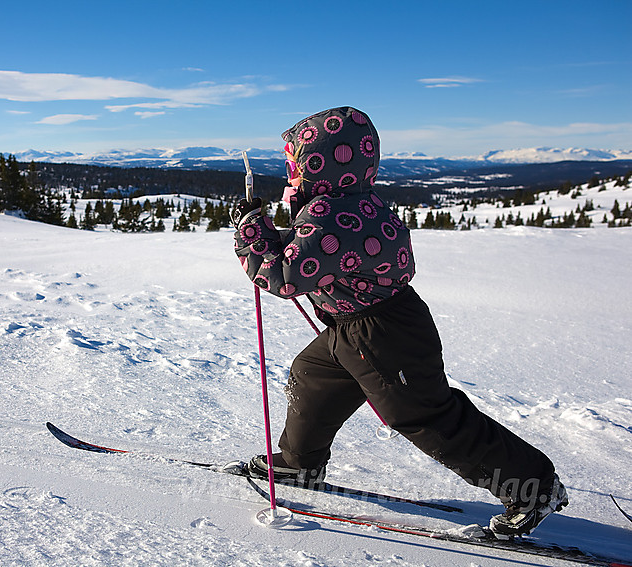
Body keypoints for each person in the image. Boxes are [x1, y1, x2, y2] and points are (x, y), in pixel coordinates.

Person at [231, 106, 567, 539]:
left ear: (323, 165)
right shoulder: (348, 204)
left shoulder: (328, 215)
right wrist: (265, 230)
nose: (290, 174)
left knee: (424, 418)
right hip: (355, 328)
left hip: (382, 335)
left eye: (295, 165)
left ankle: (533, 489)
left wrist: (249, 234)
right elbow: (307, 252)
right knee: (312, 375)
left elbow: (284, 278)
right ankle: (300, 462)